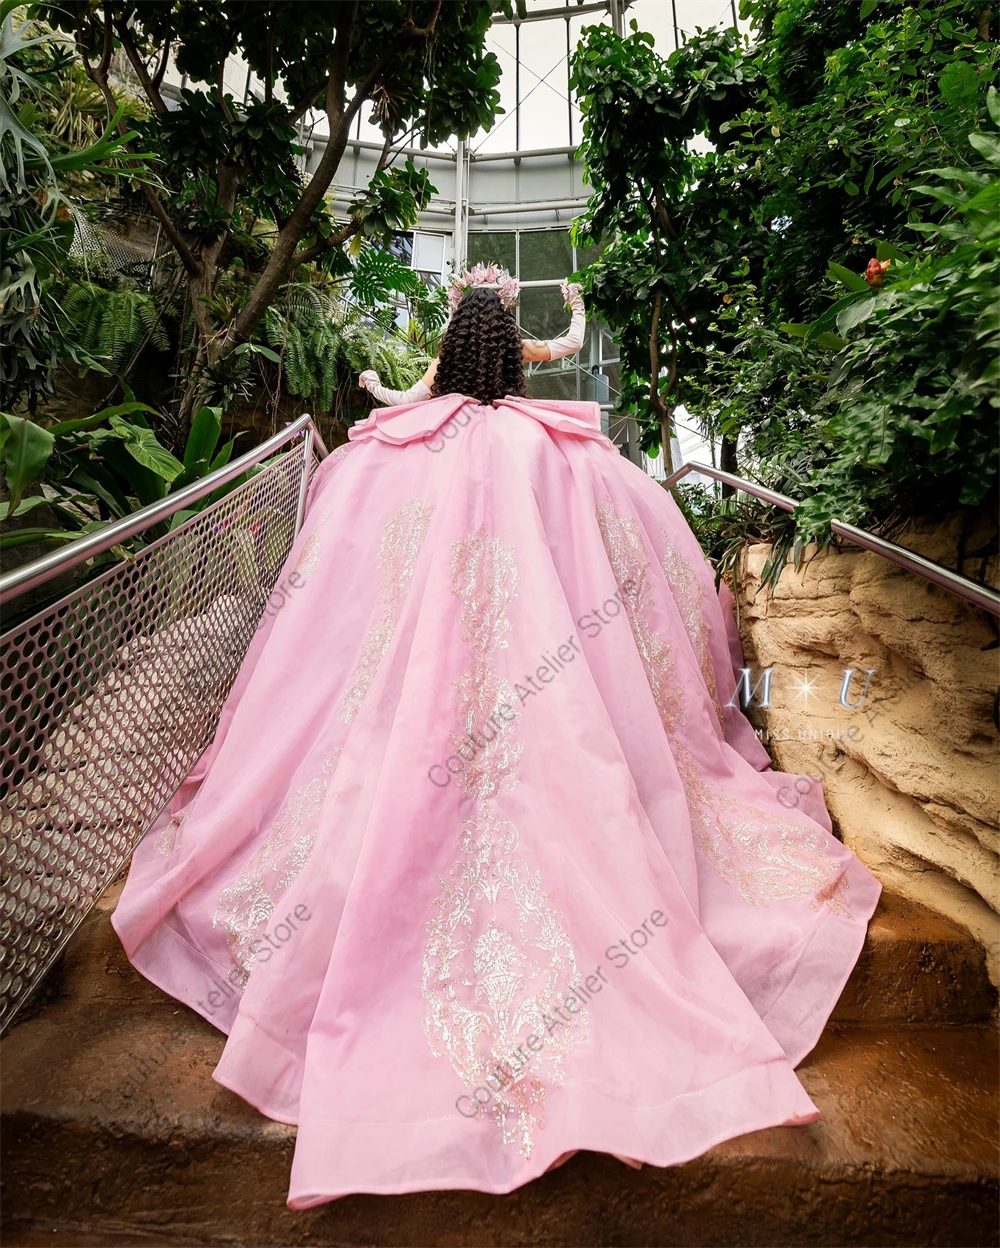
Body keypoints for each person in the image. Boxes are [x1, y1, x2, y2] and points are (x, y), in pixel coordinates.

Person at [112, 261, 882, 1210]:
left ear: (457, 321)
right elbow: (554, 353)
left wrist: (377, 394)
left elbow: (417, 390)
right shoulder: (550, 447)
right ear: (503, 325)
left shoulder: (405, 452)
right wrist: (580, 312)